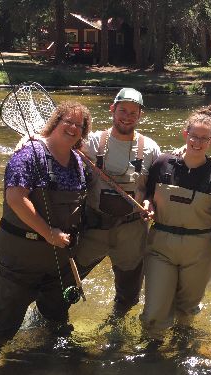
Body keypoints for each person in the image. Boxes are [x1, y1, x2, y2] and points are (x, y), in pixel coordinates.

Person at [0, 101, 92, 352]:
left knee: (57, 320)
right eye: (68, 121)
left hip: (59, 260)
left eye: (79, 125)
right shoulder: (29, 154)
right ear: (55, 123)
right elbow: (16, 199)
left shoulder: (78, 162)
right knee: (4, 324)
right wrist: (48, 233)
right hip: (22, 256)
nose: (73, 127)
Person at [139, 105, 211, 342]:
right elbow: (148, 195)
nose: (197, 143)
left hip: (200, 251)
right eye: (194, 137)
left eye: (203, 138)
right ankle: (152, 352)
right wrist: (148, 204)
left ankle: (182, 347)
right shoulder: (162, 164)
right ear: (185, 135)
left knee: (186, 309)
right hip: (161, 246)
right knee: (154, 311)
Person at [75, 88, 161, 315]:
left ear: (140, 115)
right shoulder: (91, 143)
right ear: (112, 109)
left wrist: (150, 202)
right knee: (66, 281)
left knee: (129, 296)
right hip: (93, 228)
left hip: (131, 232)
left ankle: (116, 329)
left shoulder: (151, 148)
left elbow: (155, 189)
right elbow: (61, 156)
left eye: (134, 112)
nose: (127, 116)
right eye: (123, 110)